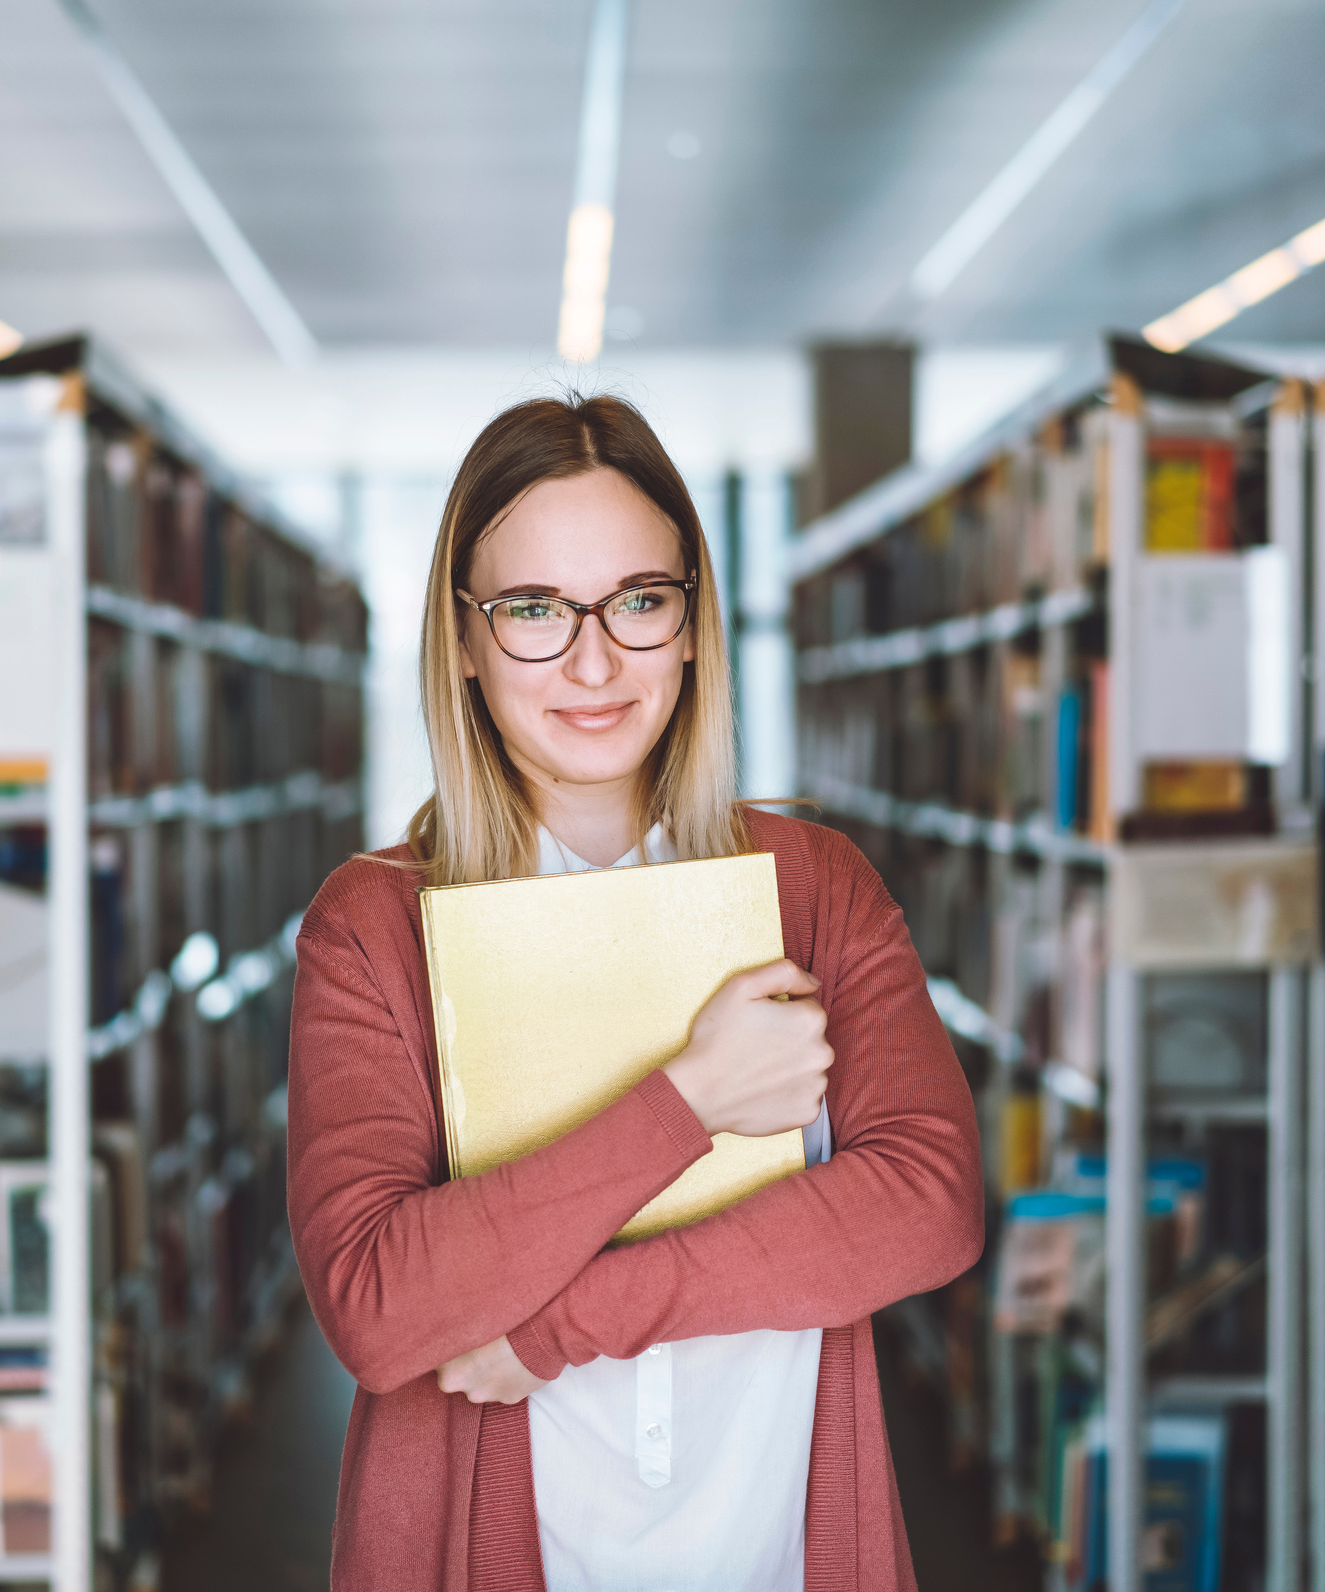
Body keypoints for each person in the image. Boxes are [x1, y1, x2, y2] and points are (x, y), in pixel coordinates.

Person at [287, 393, 983, 1592]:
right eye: (536, 611)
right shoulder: (374, 922)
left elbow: (928, 1202)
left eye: (639, 602)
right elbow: (379, 1302)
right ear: (462, 636)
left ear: (694, 623)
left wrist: (553, 1322)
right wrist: (693, 1096)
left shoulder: (813, 886)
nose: (595, 661)